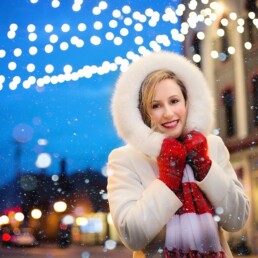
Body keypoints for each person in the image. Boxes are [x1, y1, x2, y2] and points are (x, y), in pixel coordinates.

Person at [107, 51, 249, 258]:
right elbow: (132, 236)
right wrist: (168, 178)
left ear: (186, 102)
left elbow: (236, 219)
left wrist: (205, 167)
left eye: (174, 101)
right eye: (156, 105)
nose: (168, 113)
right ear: (144, 113)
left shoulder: (212, 146)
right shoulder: (125, 159)